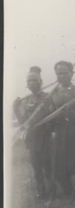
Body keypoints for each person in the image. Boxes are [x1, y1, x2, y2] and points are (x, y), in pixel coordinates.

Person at [49, 61, 75, 198]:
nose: (61, 76)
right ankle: (69, 192)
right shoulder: (52, 94)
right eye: (58, 73)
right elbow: (50, 116)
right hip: (60, 132)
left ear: (72, 73)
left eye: (65, 73)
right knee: (60, 164)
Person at [13, 66, 52, 199]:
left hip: (45, 136)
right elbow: (23, 122)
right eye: (29, 81)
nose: (31, 83)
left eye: (34, 80)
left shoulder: (48, 97)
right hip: (32, 138)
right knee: (36, 166)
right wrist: (16, 108)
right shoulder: (25, 100)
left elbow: (49, 117)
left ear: (40, 81)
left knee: (48, 165)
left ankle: (52, 192)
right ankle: (41, 192)